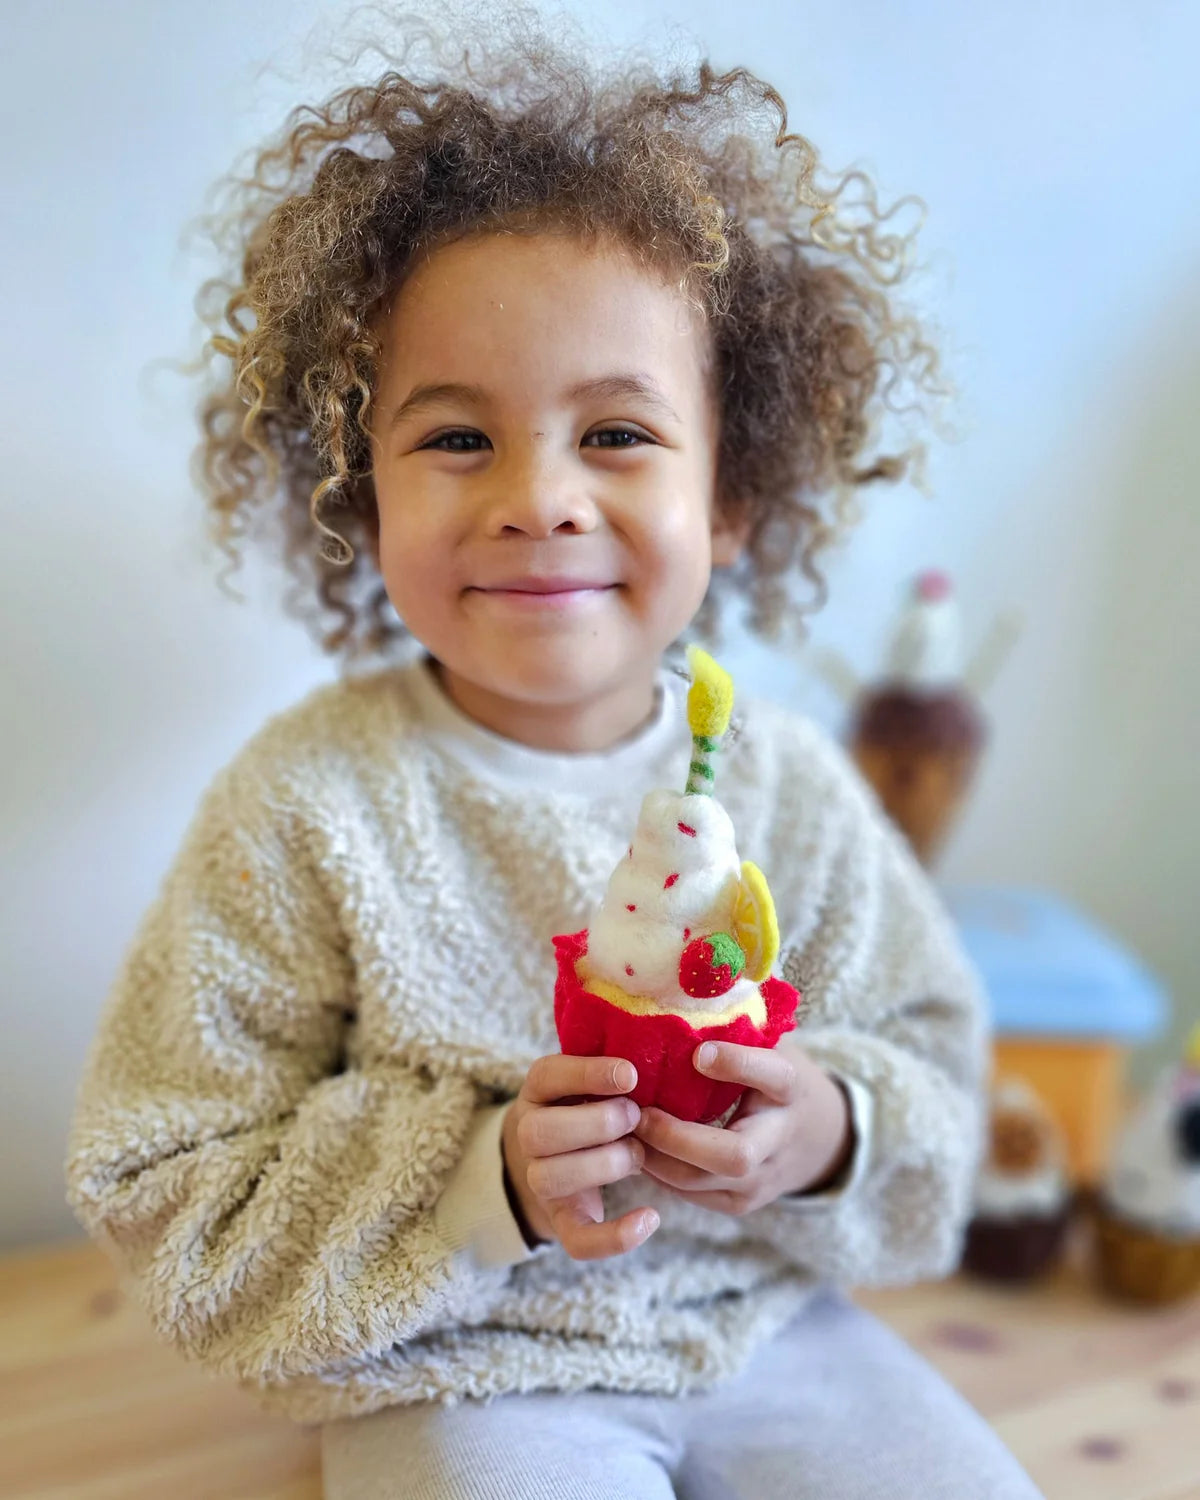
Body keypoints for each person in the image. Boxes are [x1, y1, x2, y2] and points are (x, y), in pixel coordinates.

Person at [64, 7, 1044, 1496]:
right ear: (359, 493)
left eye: (620, 435)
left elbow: (930, 1070)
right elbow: (166, 1171)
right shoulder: (309, 805)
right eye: (457, 439)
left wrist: (829, 1131)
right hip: (462, 1359)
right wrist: (483, 1184)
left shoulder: (783, 782)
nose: (538, 499)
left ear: (733, 495)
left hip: (762, 1327)